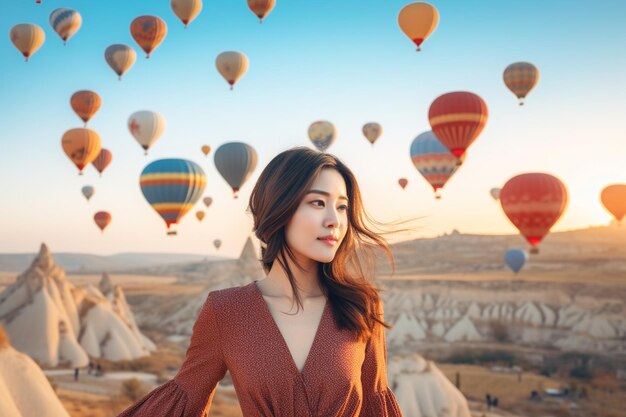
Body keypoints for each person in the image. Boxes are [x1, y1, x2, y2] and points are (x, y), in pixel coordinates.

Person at [117, 147, 403, 416]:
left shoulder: (361, 306)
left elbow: (375, 406)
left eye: (342, 207)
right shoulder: (226, 310)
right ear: (279, 208)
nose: (334, 221)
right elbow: (182, 402)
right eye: (318, 202)